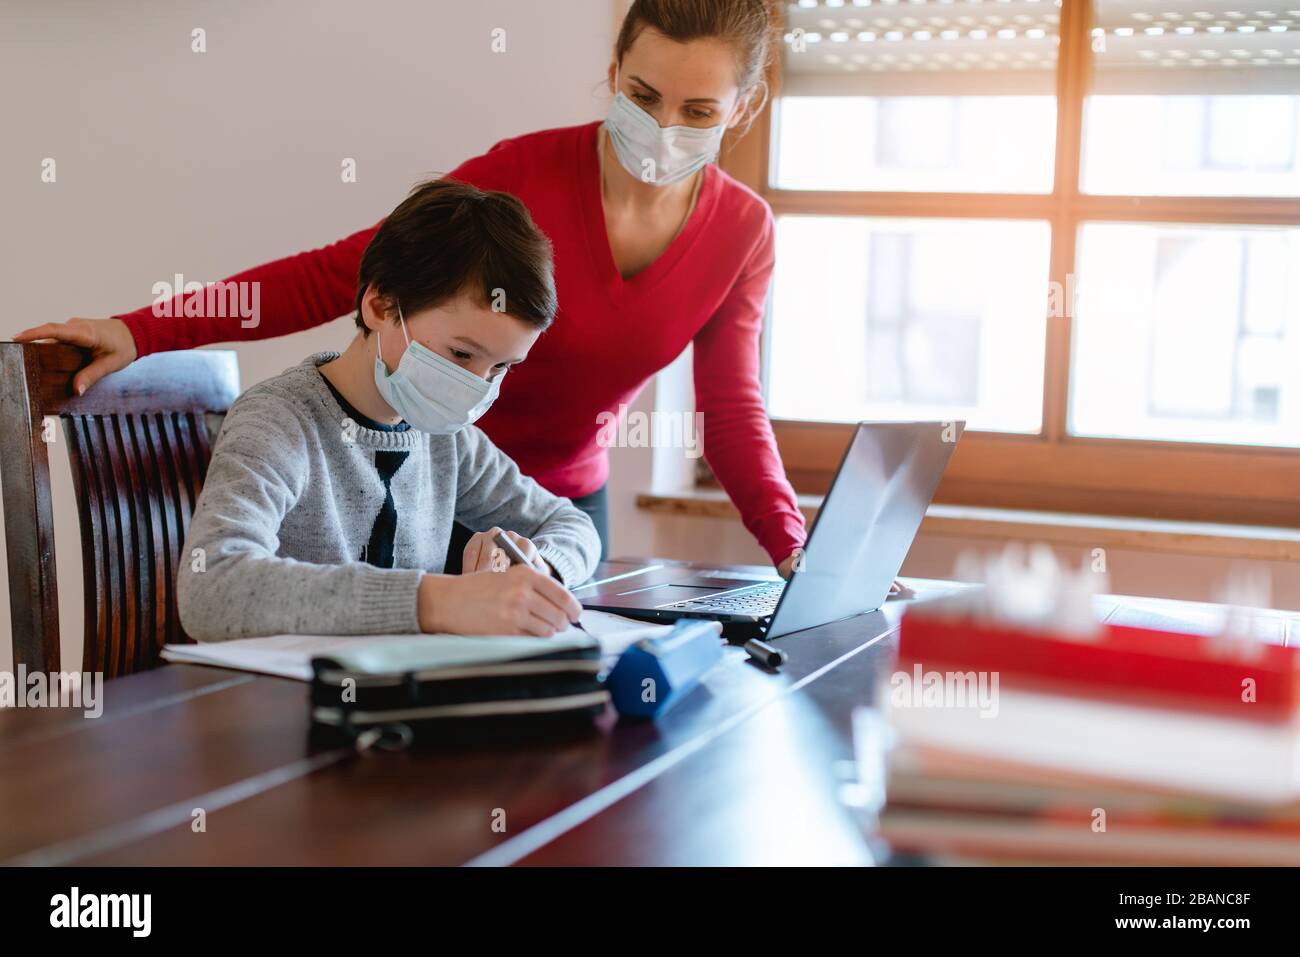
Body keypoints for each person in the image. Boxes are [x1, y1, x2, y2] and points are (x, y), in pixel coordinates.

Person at [17, 0, 809, 578]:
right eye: (642, 96)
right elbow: (348, 269)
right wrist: (145, 329)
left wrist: (791, 547)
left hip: (561, 514)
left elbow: (731, 408)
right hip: (437, 483)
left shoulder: (743, 232)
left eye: (697, 109)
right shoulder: (522, 178)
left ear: (746, 105)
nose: (663, 127)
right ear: (611, 74)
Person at [178, 179, 599, 642]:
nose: (476, 386)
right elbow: (211, 587)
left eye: (501, 366)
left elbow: (573, 525)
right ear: (380, 305)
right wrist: (436, 601)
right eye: (460, 355)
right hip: (285, 703)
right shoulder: (280, 421)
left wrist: (540, 563)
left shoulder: (446, 438)